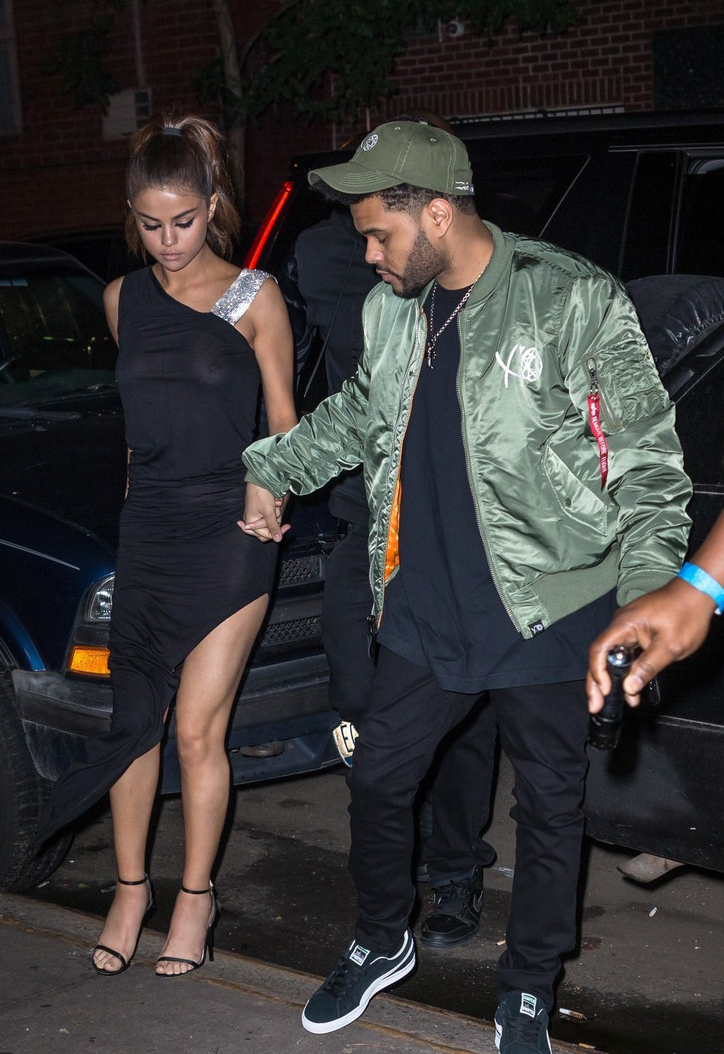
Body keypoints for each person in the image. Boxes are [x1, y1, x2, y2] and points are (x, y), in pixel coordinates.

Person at [239, 120, 692, 1051]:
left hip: (549, 603)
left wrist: (647, 596)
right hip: (423, 602)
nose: (369, 255)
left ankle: (527, 987)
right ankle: (381, 938)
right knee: (378, 778)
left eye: (379, 234)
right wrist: (274, 467)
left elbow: (648, 462)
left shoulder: (569, 298)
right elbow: (359, 412)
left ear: (438, 214)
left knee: (551, 809)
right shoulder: (391, 310)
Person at [36, 113, 297, 978]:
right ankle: (129, 890)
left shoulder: (254, 297)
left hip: (231, 533)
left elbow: (284, 421)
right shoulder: (122, 300)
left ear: (212, 205)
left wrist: (270, 484)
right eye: (150, 224)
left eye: (182, 221)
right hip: (148, 529)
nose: (168, 240)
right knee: (132, 726)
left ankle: (195, 897)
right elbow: (140, 427)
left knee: (194, 731)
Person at [280, 198, 497, 947]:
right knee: (357, 702)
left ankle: (455, 868)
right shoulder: (324, 255)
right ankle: (392, 868)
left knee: (462, 705)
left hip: (446, 530)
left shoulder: (469, 271)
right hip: (360, 518)